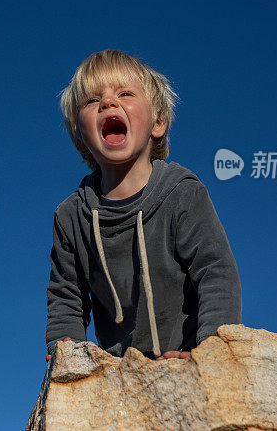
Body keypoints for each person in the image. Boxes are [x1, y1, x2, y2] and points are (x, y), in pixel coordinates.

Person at [45, 49, 241, 362]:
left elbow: (216, 274)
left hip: (186, 357)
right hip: (119, 370)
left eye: (125, 93)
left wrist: (210, 354)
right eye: (93, 100)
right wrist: (67, 356)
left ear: (158, 122)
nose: (108, 102)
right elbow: (67, 297)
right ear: (80, 138)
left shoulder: (182, 194)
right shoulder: (71, 217)